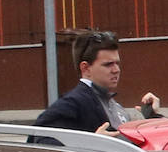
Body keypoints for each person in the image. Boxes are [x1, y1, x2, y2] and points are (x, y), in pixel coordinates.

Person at [32, 30, 160, 135]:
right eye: (108, 64)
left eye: (117, 63)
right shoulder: (73, 103)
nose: (116, 70)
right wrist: (94, 142)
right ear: (86, 68)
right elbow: (40, 142)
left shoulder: (109, 101)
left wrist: (149, 115)